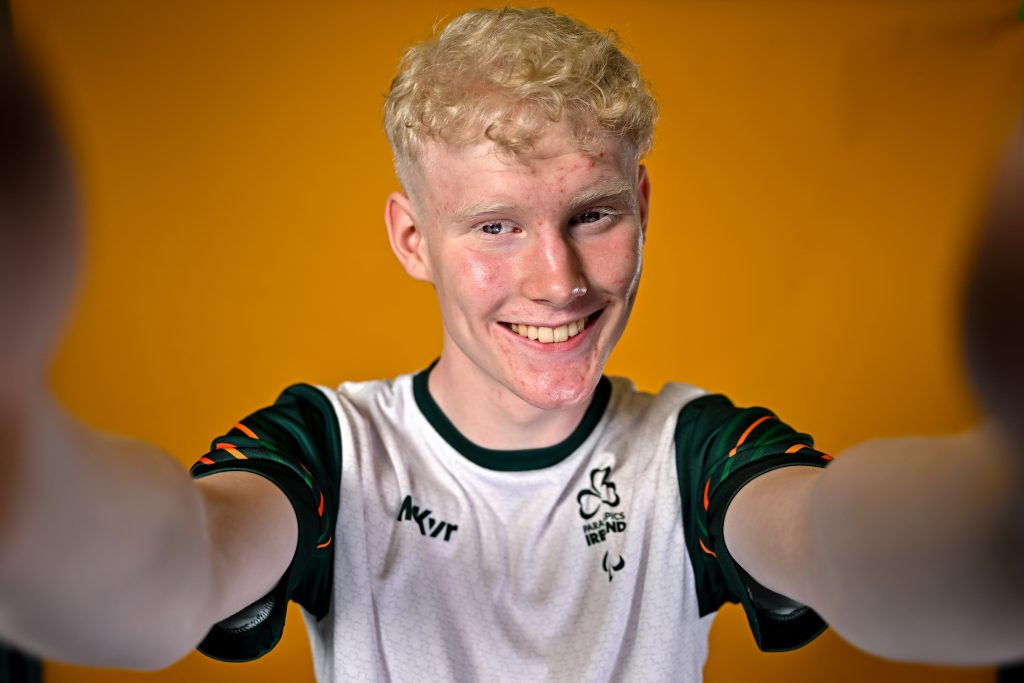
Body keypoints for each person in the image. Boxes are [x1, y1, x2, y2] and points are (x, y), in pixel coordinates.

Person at [1, 6, 1022, 682]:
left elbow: (837, 541)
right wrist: (17, 458)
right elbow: (173, 569)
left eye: (593, 213)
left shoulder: (694, 452)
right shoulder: (331, 447)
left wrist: (1002, 499)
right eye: (495, 224)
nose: (559, 279)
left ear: (644, 203)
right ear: (413, 238)